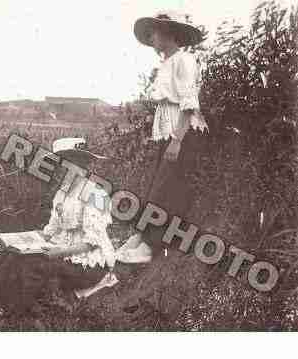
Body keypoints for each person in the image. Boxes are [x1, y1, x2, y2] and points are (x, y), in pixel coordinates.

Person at [118, 11, 208, 315]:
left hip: (182, 133)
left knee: (165, 190)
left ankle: (150, 245)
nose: (152, 39)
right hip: (167, 132)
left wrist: (178, 140)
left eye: (155, 33)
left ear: (169, 33)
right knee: (156, 185)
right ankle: (140, 236)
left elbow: (189, 102)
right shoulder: (166, 63)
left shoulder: (184, 60)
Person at [0, 138, 118, 316]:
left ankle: (16, 312)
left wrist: (55, 254)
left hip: (89, 263)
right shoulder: (62, 193)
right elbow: (51, 230)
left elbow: (91, 243)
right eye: (61, 163)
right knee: (10, 254)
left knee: (32, 264)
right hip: (63, 250)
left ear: (85, 166)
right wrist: (23, 240)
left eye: (73, 163)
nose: (65, 168)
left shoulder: (96, 194)